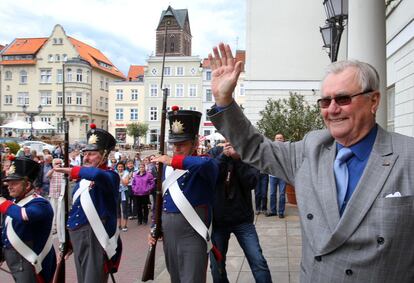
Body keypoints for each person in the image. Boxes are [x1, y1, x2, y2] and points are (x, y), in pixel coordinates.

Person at [207, 43, 414, 282]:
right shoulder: (311, 149)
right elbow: (256, 148)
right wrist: (224, 101)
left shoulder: (407, 156)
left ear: (374, 101)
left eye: (343, 99)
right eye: (325, 102)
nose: (332, 109)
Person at [148, 106, 220, 283]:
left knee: (192, 279)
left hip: (192, 234)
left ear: (195, 143)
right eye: (174, 144)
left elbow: (205, 166)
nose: (176, 148)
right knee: (176, 278)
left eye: (182, 144)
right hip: (169, 233)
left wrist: (173, 161)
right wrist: (154, 226)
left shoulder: (204, 163)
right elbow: (159, 199)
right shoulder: (166, 167)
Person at [54, 123, 121, 283]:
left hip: (95, 237)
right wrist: (68, 241)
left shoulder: (110, 176)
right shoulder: (83, 180)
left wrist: (74, 170)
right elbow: (77, 211)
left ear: (104, 155)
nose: (86, 158)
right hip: (79, 237)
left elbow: (99, 176)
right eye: (85, 153)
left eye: (92, 154)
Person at [209, 143, 272, 283]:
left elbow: (251, 182)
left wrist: (238, 160)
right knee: (217, 267)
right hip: (219, 221)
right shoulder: (215, 152)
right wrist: (223, 157)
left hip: (243, 220)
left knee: (258, 262)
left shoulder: (247, 154)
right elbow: (210, 177)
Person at [0, 156, 56, 282]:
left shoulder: (41, 203)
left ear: (27, 185)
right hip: (16, 260)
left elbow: (24, 216)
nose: (9, 186)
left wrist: (2, 203)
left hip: (29, 262)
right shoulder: (14, 202)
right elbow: (6, 229)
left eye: (14, 183)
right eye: (8, 183)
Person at [266, 134, 287, 218]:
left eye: (280, 138)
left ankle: (281, 212)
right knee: (272, 194)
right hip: (273, 175)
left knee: (282, 194)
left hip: (283, 175)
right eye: (277, 138)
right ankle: (273, 211)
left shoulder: (286, 149)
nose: (279, 139)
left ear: (283, 139)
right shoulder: (270, 149)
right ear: (274, 140)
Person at [46, 158, 65, 235]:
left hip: (62, 195)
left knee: (61, 212)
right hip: (54, 195)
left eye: (59, 163)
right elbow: (47, 176)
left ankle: (60, 227)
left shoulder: (63, 172)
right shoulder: (52, 171)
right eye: (56, 163)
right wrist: (55, 169)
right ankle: (54, 227)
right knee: (54, 211)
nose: (58, 164)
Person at [116, 163, 129, 232]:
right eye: (119, 167)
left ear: (123, 168)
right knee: (117, 209)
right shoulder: (115, 173)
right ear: (117, 168)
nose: (120, 168)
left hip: (124, 192)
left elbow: (126, 183)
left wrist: (120, 177)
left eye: (121, 167)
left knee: (124, 208)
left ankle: (125, 225)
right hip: (117, 192)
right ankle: (119, 225)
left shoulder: (126, 173)